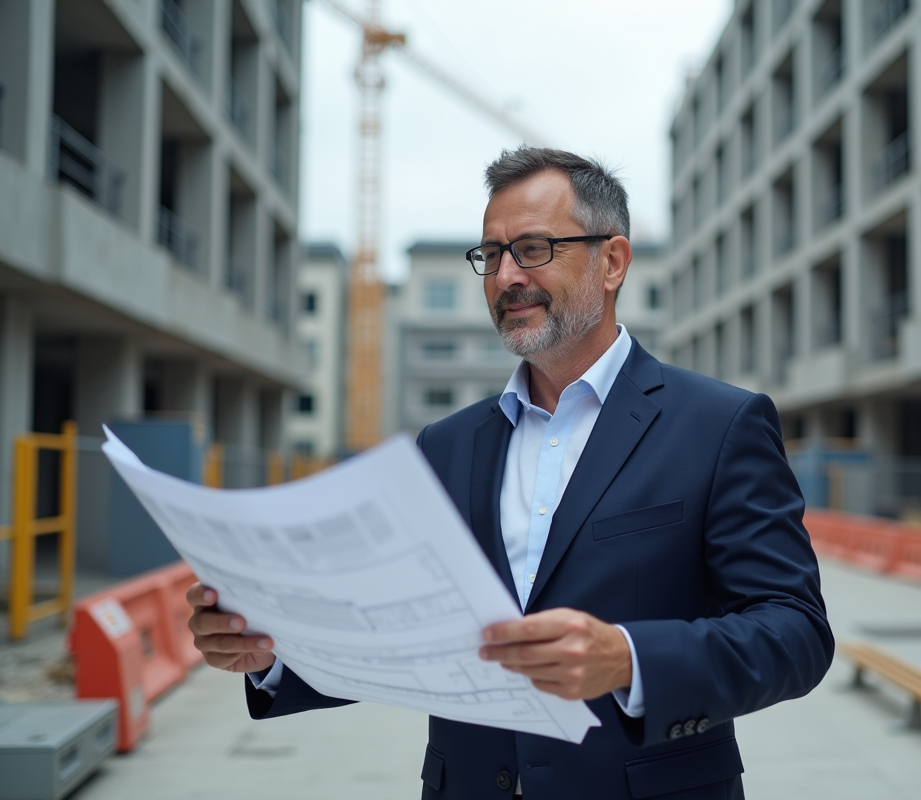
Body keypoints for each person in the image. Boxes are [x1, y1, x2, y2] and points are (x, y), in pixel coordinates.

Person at [187, 147, 834, 799]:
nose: (504, 278)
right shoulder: (447, 445)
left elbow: (794, 631)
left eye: (532, 249)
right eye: (491, 255)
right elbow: (402, 633)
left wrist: (628, 659)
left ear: (612, 262)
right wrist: (274, 655)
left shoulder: (719, 425)